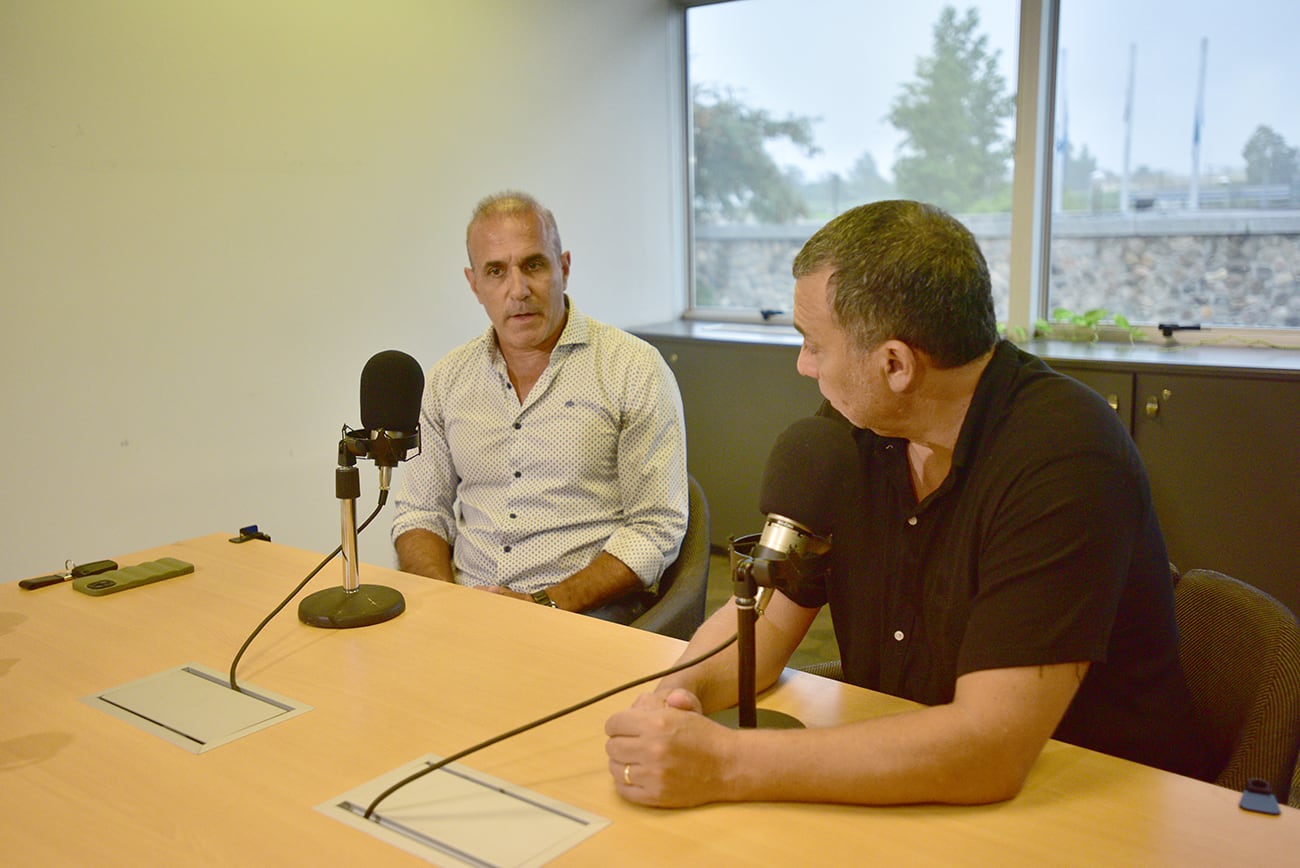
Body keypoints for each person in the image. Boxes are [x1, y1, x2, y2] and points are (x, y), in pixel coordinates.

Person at [604, 199, 1215, 806]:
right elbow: (763, 623)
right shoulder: (854, 431)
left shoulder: (1066, 460)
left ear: (894, 364)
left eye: (814, 345)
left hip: (1085, 804)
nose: (802, 365)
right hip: (920, 770)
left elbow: (989, 750)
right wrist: (669, 701)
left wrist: (725, 765)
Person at [391, 191, 688, 622]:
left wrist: (544, 604)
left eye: (533, 265)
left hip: (585, 612)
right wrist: (445, 604)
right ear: (474, 283)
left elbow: (655, 526)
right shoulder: (447, 379)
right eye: (496, 271)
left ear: (563, 268)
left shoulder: (633, 368)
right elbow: (420, 513)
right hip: (466, 606)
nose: (518, 290)